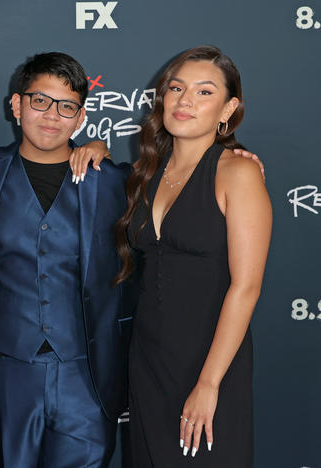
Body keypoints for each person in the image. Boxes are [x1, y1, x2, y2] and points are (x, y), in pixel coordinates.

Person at [0, 52, 133, 468]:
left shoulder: (114, 181)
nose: (52, 116)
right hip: (5, 366)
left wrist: (236, 156)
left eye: (66, 106)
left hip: (86, 370)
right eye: (40, 101)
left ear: (80, 117)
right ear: (16, 106)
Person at [113, 45, 271, 466]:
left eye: (204, 92)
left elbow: (247, 286)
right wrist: (92, 146)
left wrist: (209, 383)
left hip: (209, 360)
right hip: (147, 359)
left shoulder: (238, 173)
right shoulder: (147, 172)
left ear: (228, 108)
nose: (184, 100)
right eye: (176, 88)